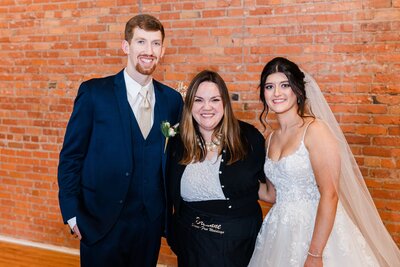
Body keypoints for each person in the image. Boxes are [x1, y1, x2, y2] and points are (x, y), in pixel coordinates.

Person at [57, 14, 183, 267]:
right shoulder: (94, 93)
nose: (149, 51)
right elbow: (72, 157)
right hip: (100, 222)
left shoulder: (172, 100)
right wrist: (72, 214)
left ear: (163, 49)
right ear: (126, 46)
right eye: (141, 42)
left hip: (149, 225)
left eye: (156, 44)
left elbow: (175, 158)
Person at [249, 57, 400, 267]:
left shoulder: (315, 130)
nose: (276, 93)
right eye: (269, 86)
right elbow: (273, 194)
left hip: (316, 230)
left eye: (284, 85)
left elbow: (330, 194)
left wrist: (315, 254)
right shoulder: (270, 140)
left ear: (297, 90)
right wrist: (235, 179)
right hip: (279, 232)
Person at [166, 70, 275, 267]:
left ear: (224, 103)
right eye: (198, 100)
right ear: (190, 105)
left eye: (214, 100)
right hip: (192, 246)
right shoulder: (177, 142)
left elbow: (265, 188)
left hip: (238, 247)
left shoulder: (248, 138)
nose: (206, 107)